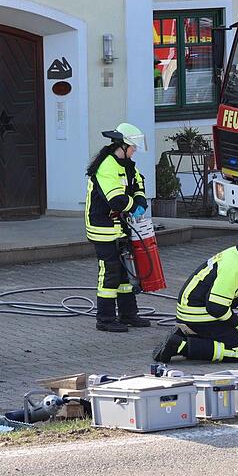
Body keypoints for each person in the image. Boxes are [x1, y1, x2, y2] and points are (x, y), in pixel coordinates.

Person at [153, 230, 238, 363]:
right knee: (235, 350)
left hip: (197, 310)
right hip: (199, 314)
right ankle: (179, 346)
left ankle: (188, 335)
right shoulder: (234, 267)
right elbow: (216, 307)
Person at [85, 123, 150, 332]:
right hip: (102, 226)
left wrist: (140, 203)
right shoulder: (107, 166)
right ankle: (104, 318)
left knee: (124, 272)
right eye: (133, 147)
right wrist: (133, 207)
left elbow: (138, 184)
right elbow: (116, 199)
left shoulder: (128, 165)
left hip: (120, 226)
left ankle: (128, 314)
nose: (135, 150)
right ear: (122, 145)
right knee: (110, 271)